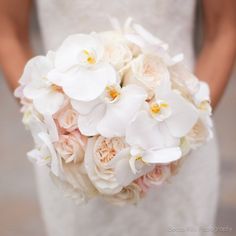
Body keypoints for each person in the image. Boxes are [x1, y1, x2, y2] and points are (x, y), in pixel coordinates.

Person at [0, 0, 235, 235]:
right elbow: (8, 33)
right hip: (71, 161)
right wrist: (55, 127)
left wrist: (177, 135)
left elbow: (223, 31)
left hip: (178, 153)